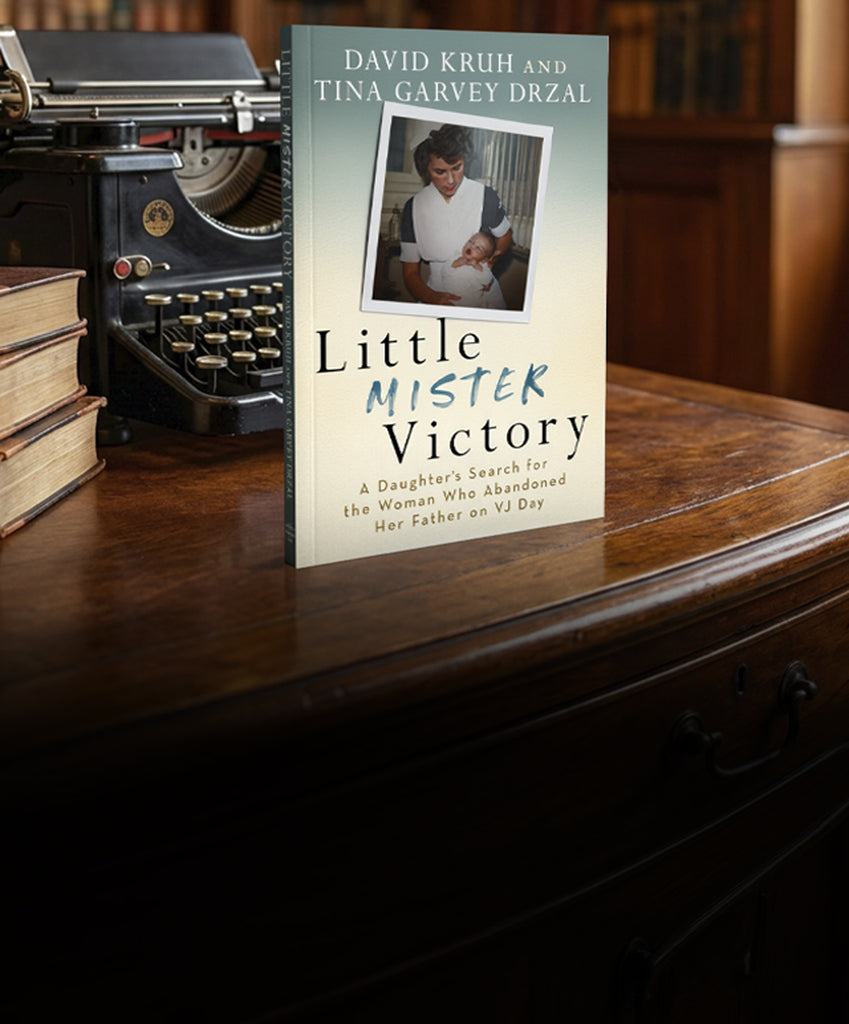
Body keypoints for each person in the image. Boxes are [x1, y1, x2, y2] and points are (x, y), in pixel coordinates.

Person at [400, 124, 512, 307]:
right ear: (426, 169)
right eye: (440, 172)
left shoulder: (485, 196)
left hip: (482, 296)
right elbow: (410, 272)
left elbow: (505, 236)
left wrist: (489, 263)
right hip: (436, 292)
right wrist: (431, 297)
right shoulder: (413, 207)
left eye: (457, 167)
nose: (451, 180)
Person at [440, 230, 505, 309]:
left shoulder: (482, 267)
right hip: (450, 299)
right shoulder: (455, 257)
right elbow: (444, 272)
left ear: (484, 259)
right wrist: (456, 263)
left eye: (478, 248)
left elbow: (487, 280)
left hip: (471, 303)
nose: (471, 246)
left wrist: (476, 266)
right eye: (471, 241)